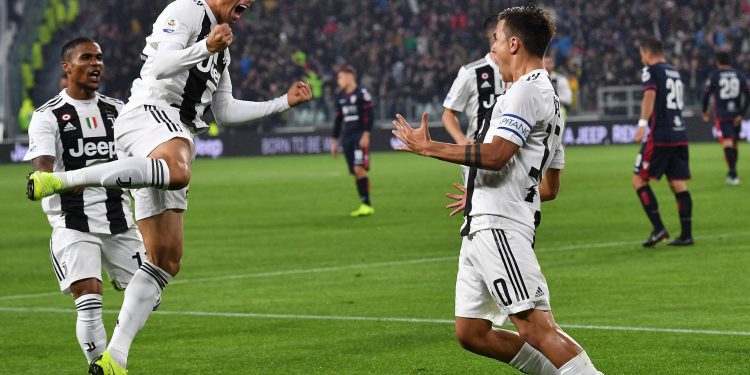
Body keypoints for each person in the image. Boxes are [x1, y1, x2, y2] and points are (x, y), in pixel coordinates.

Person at [26, 1, 312, 373]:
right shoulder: (188, 10)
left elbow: (223, 111)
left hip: (176, 133)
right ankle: (63, 180)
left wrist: (281, 103)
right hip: (151, 113)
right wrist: (205, 46)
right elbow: (159, 67)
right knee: (178, 171)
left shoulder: (222, 44)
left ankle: (114, 359)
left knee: (166, 259)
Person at [392, 6, 602, 375]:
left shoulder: (526, 92)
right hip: (483, 222)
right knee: (471, 332)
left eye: (497, 39)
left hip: (499, 226)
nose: (493, 47)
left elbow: (495, 155)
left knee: (536, 327)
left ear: (515, 43)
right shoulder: (548, 98)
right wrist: (477, 193)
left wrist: (429, 147)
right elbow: (549, 186)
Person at [23, 37, 147, 368]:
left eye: (100, 58)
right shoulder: (48, 116)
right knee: (89, 300)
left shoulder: (117, 110)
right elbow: (43, 172)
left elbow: (137, 158)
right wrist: (58, 182)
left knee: (151, 293)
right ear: (67, 67)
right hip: (73, 223)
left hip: (119, 220)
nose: (96, 64)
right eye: (86, 58)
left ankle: (114, 353)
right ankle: (103, 366)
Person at [633, 37, 694, 247]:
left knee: (639, 181)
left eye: (641, 54)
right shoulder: (674, 72)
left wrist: (642, 124)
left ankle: (659, 229)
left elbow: (649, 95)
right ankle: (686, 235)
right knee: (678, 183)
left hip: (660, 135)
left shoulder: (651, 70)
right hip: (679, 133)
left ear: (648, 53)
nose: (642, 58)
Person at [442, 15, 504, 146]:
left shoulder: (521, 72)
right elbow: (449, 113)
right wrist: (460, 139)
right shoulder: (471, 72)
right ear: (493, 35)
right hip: (478, 154)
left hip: (511, 156)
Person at [331, 65, 375, 217]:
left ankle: (367, 204)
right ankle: (364, 202)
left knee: (358, 168)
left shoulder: (362, 94)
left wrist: (366, 134)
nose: (339, 81)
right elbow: (338, 120)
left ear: (350, 76)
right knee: (355, 172)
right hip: (347, 138)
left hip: (359, 136)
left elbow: (370, 116)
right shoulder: (340, 98)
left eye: (340, 77)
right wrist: (334, 141)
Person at [701, 51, 749, 186]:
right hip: (737, 115)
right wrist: (742, 113)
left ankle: (733, 174)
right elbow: (748, 95)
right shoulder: (740, 75)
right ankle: (732, 173)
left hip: (722, 115)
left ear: (717, 62)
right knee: (734, 143)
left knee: (727, 142)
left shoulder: (715, 75)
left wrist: (704, 111)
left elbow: (706, 95)